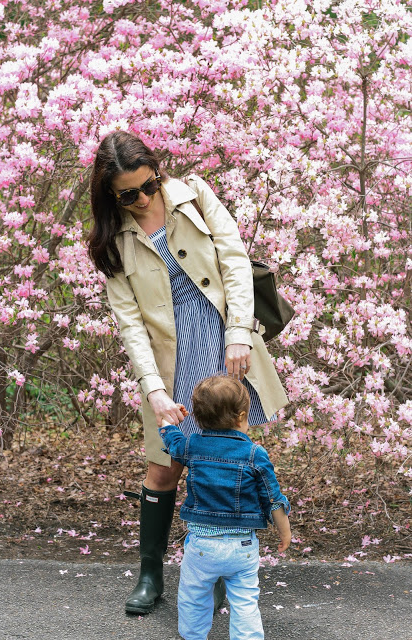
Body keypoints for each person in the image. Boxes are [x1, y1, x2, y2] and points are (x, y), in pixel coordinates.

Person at [87, 131, 289, 615]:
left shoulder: (195, 195)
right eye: (128, 194)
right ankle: (151, 572)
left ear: (158, 171)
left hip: (222, 341)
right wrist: (153, 389)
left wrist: (239, 329)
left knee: (227, 455)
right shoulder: (111, 239)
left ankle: (221, 569)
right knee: (164, 466)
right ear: (110, 194)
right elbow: (128, 321)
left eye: (148, 185)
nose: (142, 199)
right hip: (167, 359)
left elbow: (236, 261)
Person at [159, 374, 291, 640]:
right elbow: (272, 497)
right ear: (242, 415)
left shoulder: (193, 445)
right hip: (242, 549)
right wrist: (284, 532)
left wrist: (167, 423)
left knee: (194, 597)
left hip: (202, 548)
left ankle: (193, 636)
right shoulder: (254, 454)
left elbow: (174, 443)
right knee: (245, 602)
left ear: (197, 418)